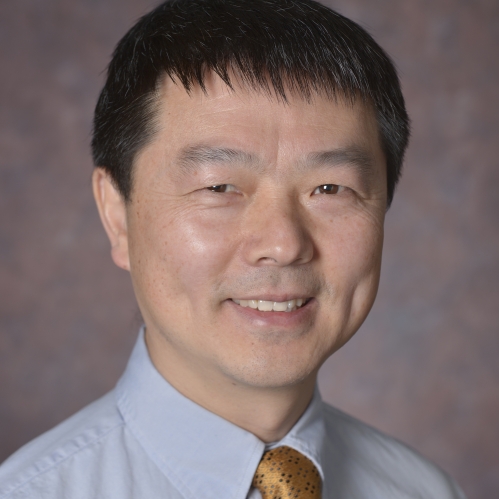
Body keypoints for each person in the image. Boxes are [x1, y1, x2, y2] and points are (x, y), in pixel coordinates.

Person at [0, 0, 467, 498]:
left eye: (330, 189)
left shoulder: (424, 489)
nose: (284, 245)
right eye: (219, 187)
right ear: (117, 215)